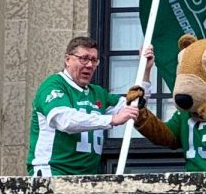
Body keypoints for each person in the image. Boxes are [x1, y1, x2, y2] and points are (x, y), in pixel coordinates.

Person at [26, 36, 154, 176]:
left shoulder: (97, 93)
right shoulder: (53, 85)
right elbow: (65, 120)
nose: (89, 65)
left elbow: (134, 106)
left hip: (87, 177)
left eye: (94, 60)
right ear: (68, 59)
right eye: (84, 58)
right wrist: (111, 119)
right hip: (53, 173)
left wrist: (145, 71)